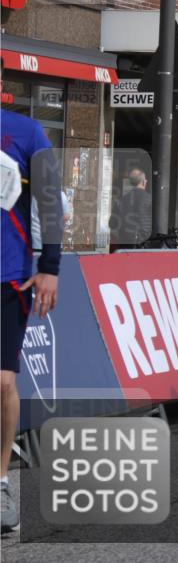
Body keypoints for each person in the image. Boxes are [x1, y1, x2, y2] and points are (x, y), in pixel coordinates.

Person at [1, 108, 63, 533]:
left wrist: (51, 265)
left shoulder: (25, 131)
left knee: (2, 382)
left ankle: (1, 482)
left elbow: (49, 199)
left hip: (9, 277)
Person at [112, 167, 152, 248]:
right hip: (143, 244)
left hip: (125, 243)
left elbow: (113, 223)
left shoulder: (121, 200)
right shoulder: (149, 199)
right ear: (143, 182)